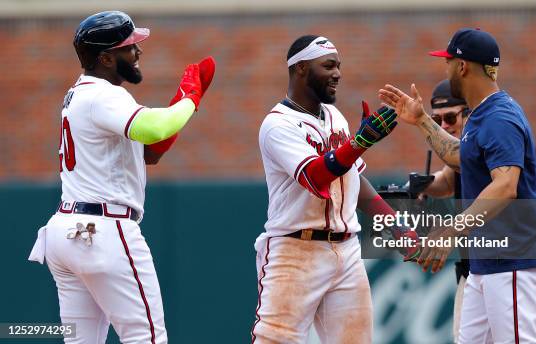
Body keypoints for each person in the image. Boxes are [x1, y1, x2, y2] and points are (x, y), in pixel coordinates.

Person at [27, 11, 215, 343]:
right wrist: (191, 98)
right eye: (129, 46)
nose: (138, 52)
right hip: (105, 229)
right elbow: (156, 126)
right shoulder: (103, 95)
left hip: (67, 231)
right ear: (106, 57)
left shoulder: (80, 94)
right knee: (147, 338)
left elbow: (148, 153)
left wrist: (178, 103)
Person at [379, 28, 536, 343]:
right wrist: (421, 119)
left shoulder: (500, 116)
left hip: (514, 258)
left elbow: (505, 188)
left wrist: (449, 233)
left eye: (448, 61)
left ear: (462, 66)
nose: (445, 68)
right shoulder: (481, 116)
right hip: (486, 263)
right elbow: (460, 157)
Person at [252, 35, 417, 343]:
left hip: (346, 250)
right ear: (301, 68)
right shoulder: (277, 124)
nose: (337, 73)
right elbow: (315, 177)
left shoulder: (334, 116)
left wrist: (393, 221)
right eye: (328, 65)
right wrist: (359, 143)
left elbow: (353, 177)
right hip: (296, 250)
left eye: (339, 66)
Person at [421, 79, 470, 343]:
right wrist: (421, 185)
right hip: (473, 268)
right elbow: (448, 181)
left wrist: (451, 232)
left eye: (450, 117)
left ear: (469, 112)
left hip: (503, 265)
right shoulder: (465, 146)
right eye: (436, 120)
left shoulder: (483, 142)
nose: (444, 126)